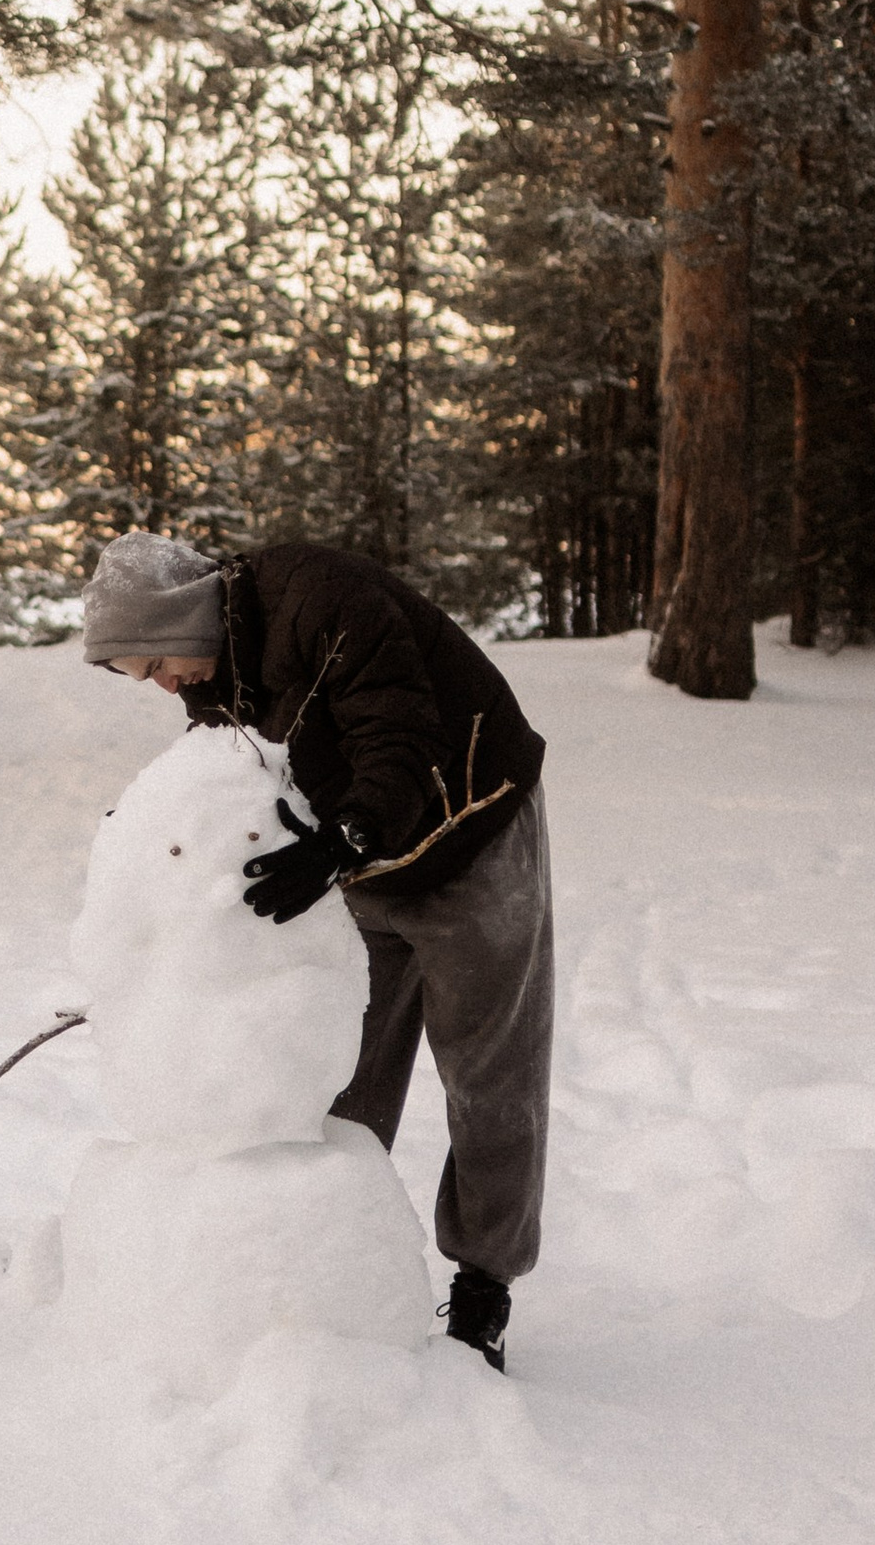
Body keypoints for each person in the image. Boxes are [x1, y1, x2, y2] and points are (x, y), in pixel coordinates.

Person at [81, 528, 552, 1372]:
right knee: (336, 1068)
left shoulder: (319, 597)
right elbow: (228, 778)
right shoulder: (213, 677)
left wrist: (345, 840)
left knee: (489, 1071)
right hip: (360, 847)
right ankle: (330, 1274)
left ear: (180, 621)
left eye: (152, 665)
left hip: (470, 824)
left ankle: (485, 1281)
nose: (158, 687)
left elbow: (400, 731)